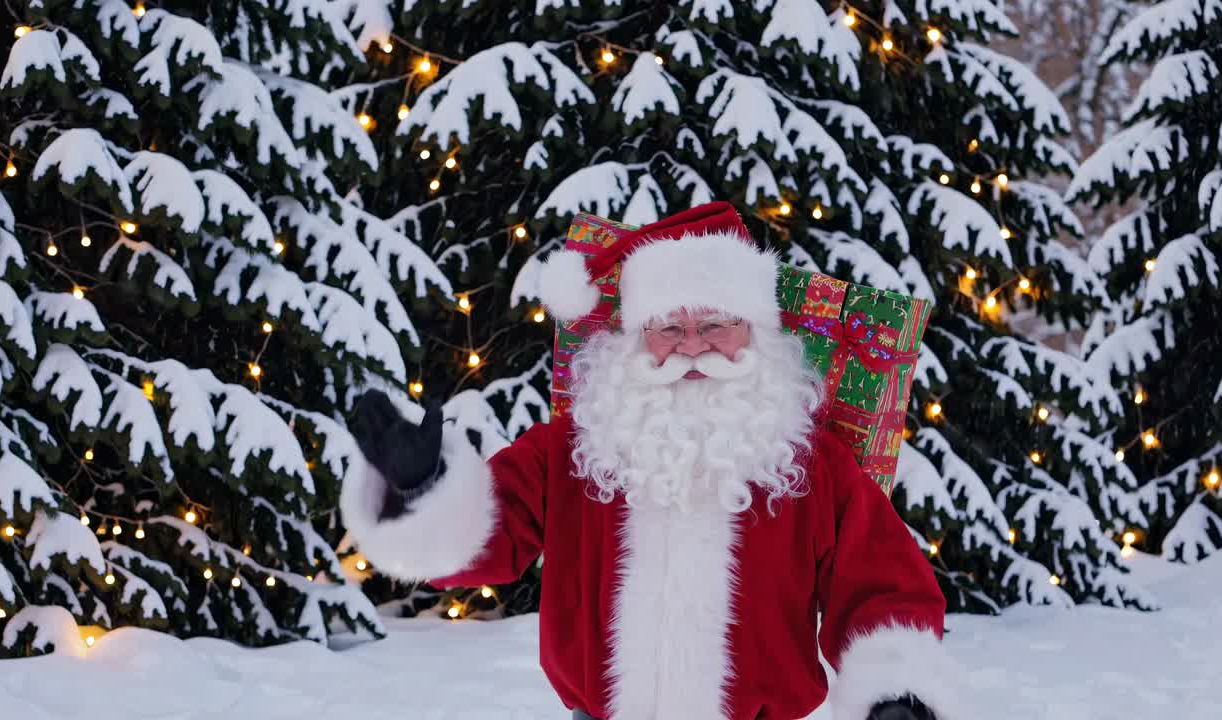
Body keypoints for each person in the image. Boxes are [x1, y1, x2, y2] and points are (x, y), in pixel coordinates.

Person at [341, 202, 964, 720]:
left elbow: (882, 583)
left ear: (756, 331)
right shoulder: (574, 448)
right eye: (668, 327)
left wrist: (895, 693)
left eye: (715, 324)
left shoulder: (814, 466)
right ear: (636, 336)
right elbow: (492, 533)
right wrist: (424, 488)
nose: (692, 346)